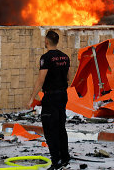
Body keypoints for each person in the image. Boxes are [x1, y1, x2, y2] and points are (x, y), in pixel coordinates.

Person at [27, 31, 71, 170]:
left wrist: (32, 98)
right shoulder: (65, 57)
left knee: (50, 130)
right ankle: (65, 158)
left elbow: (41, 79)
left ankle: (56, 161)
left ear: (46, 41)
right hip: (62, 95)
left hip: (51, 97)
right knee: (60, 128)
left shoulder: (46, 58)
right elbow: (69, 77)